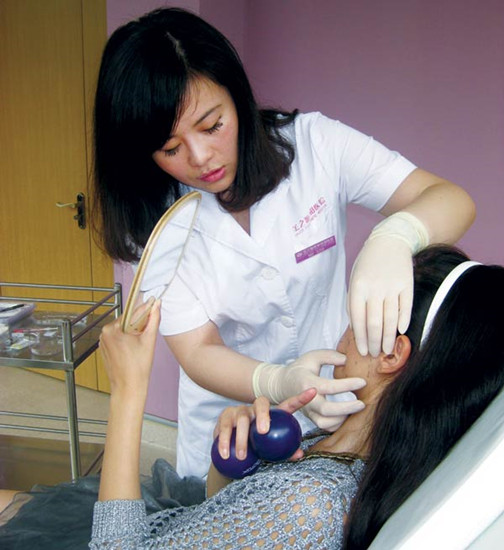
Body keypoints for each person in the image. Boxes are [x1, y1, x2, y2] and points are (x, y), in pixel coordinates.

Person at [92, 7, 476, 477]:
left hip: (333, 409)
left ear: (236, 96)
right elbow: (197, 350)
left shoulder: (317, 146)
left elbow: (451, 199)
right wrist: (276, 381)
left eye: (212, 125)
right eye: (170, 149)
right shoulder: (155, 218)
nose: (200, 157)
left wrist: (396, 235)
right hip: (227, 426)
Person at [1, 245, 503, 549]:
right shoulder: (344, 441)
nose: (344, 333)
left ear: (392, 353)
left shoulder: (311, 504)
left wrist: (127, 392)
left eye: (357, 317)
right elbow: (232, 520)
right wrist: (233, 465)